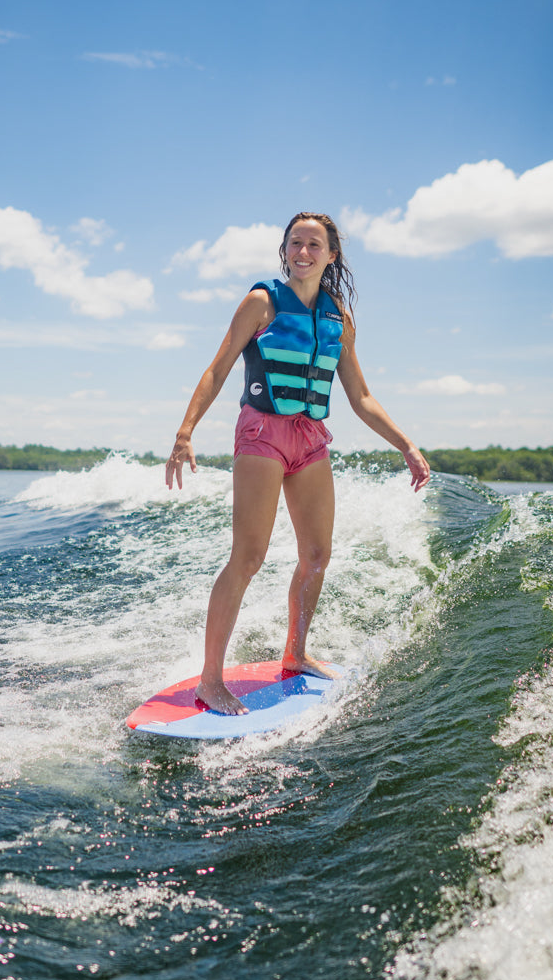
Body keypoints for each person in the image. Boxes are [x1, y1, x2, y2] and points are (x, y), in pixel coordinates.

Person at [165, 212, 430, 715]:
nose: (302, 252)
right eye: (294, 243)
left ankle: (296, 652)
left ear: (332, 255)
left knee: (316, 555)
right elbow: (218, 367)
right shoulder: (262, 301)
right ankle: (210, 680)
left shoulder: (338, 318)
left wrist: (406, 445)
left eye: (314, 245)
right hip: (262, 430)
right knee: (249, 555)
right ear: (284, 249)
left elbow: (362, 396)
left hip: (310, 439)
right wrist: (185, 432)